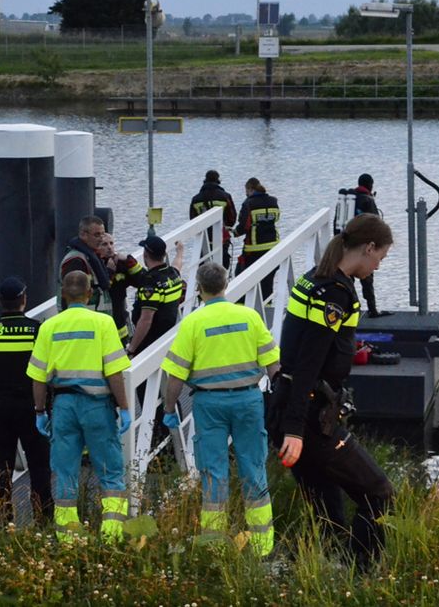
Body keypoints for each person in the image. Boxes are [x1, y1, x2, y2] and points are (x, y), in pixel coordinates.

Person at [266, 213, 396, 572]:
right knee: (378, 492)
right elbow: (308, 364)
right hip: (308, 416)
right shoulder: (337, 294)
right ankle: (364, 572)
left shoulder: (314, 280)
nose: (378, 267)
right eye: (380, 258)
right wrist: (295, 430)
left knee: (328, 507)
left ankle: (327, 574)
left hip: (286, 407)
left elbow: (299, 351)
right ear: (368, 248)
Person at [161, 263, 281, 557]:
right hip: (248, 400)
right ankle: (263, 545)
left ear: (199, 288)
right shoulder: (249, 317)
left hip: (209, 403)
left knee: (213, 473)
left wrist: (168, 408)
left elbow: (175, 374)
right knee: (254, 470)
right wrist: (281, 399)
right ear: (226, 284)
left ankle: (213, 544)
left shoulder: (193, 322)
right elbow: (274, 365)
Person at [27, 271, 133, 542]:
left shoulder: (49, 326)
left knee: (64, 473)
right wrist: (124, 407)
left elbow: (38, 377)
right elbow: (114, 373)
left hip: (63, 405)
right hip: (97, 405)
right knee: (110, 474)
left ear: (63, 294)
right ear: (90, 294)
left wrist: (39, 411)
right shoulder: (103, 323)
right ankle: (111, 536)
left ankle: (67, 541)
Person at [0, 277, 53, 527]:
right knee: (39, 464)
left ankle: (2, 521)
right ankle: (43, 520)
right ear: (24, 300)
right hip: (32, 405)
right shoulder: (36, 329)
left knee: (0, 466)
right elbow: (45, 361)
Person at [126, 235, 185, 356]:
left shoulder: (150, 283)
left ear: (145, 255)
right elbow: (177, 264)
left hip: (150, 343)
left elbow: (146, 320)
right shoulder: (173, 274)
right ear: (164, 255)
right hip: (167, 336)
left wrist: (131, 349)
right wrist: (180, 251)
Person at [350, 174, 392, 318]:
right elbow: (376, 224)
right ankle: (372, 310)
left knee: (347, 279)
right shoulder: (367, 200)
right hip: (364, 246)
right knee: (367, 279)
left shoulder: (349, 199)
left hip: (347, 245)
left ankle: (351, 309)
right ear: (370, 185)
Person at [234, 177, 281, 299]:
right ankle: (267, 305)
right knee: (267, 281)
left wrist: (234, 233)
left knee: (241, 276)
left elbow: (244, 226)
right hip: (273, 246)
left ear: (250, 189)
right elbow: (276, 218)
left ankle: (243, 304)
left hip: (253, 249)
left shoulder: (248, 203)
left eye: (246, 191)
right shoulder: (273, 201)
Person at [59, 215, 112, 315]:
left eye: (103, 234)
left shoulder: (91, 257)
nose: (101, 239)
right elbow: (71, 296)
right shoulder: (76, 260)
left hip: (93, 319)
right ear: (83, 234)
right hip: (81, 321)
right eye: (97, 235)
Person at [97, 232, 144, 344]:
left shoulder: (120, 264)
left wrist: (129, 261)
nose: (109, 247)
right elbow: (101, 289)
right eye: (104, 244)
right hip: (101, 319)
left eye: (111, 243)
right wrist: (109, 271)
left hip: (120, 321)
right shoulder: (96, 266)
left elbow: (143, 281)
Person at [190, 170, 238, 268]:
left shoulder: (196, 199)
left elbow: (193, 221)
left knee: (204, 268)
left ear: (205, 181)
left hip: (203, 238)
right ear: (218, 180)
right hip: (222, 237)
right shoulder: (225, 196)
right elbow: (232, 218)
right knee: (222, 267)